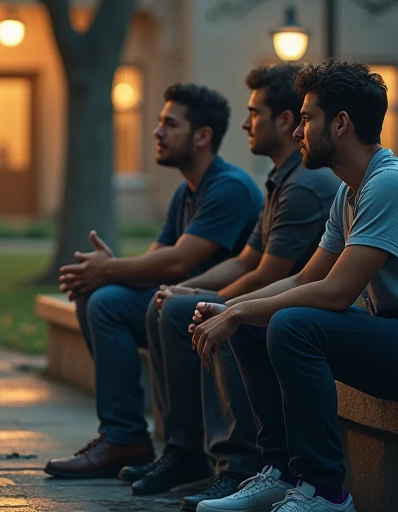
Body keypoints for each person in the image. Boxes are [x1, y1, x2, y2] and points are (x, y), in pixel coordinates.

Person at [190, 60, 398, 512]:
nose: (298, 130)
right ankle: (282, 473)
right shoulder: (350, 191)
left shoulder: (391, 184)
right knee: (260, 322)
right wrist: (230, 308)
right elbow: (303, 277)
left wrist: (236, 311)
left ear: (341, 124)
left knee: (293, 325)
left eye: (308, 118)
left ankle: (325, 493)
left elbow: (335, 293)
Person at [127, 65, 340, 507]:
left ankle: (237, 465)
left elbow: (269, 276)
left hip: (295, 313)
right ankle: (184, 450)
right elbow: (247, 261)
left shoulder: (305, 186)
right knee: (174, 305)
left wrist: (221, 305)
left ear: (283, 121)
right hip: (282, 305)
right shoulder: (281, 179)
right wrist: (189, 290)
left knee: (210, 315)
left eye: (254, 113)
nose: (245, 124)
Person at [43, 83, 264, 480]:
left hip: (215, 308)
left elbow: (179, 262)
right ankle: (122, 435)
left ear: (203, 136)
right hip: (175, 309)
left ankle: (157, 445)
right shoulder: (186, 191)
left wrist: (107, 269)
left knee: (110, 296)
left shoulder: (229, 186)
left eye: (169, 124)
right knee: (100, 296)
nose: (157, 132)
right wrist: (107, 269)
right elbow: (157, 260)